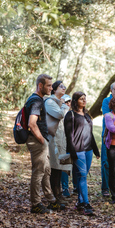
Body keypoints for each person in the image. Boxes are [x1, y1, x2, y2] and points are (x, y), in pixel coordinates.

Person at [25, 74, 60, 214]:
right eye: (49, 85)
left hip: (40, 141)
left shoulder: (38, 99)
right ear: (40, 86)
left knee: (46, 171)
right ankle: (36, 204)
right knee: (38, 172)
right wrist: (42, 141)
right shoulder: (36, 101)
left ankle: (51, 200)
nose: (52, 88)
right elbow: (32, 124)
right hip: (37, 141)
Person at [64, 91, 100, 216]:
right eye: (81, 99)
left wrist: (96, 150)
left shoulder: (87, 115)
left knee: (81, 177)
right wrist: (72, 152)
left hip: (88, 149)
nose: (84, 101)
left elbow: (90, 134)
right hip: (78, 151)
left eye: (85, 99)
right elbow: (69, 136)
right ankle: (86, 204)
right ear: (75, 101)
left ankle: (80, 202)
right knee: (83, 176)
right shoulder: (70, 115)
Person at [44, 80, 69, 210]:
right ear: (54, 89)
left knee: (59, 167)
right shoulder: (50, 102)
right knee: (54, 168)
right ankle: (53, 196)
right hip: (52, 140)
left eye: (64, 86)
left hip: (61, 139)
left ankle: (58, 194)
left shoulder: (59, 103)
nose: (64, 88)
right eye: (61, 86)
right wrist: (65, 106)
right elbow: (60, 114)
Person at [59, 94, 74, 198]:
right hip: (61, 142)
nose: (68, 104)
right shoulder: (60, 113)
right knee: (63, 166)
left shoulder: (73, 114)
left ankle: (72, 186)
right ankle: (64, 188)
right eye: (66, 102)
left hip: (71, 143)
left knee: (70, 166)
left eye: (69, 102)